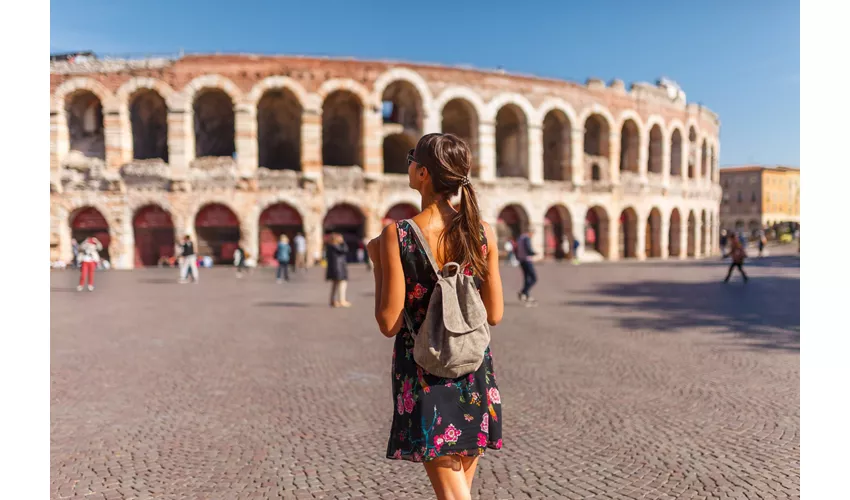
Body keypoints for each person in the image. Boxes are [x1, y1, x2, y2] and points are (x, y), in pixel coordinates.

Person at [366, 133, 504, 499]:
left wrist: (378, 263)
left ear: (423, 173)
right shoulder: (482, 232)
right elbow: (495, 314)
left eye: (412, 158)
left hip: (424, 371)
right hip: (473, 367)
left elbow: (388, 323)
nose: (409, 165)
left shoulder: (399, 235)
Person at [325, 233, 350, 307]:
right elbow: (345, 250)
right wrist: (343, 242)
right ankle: (342, 300)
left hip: (334, 268)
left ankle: (332, 300)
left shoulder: (329, 246)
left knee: (335, 285)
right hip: (338, 268)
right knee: (342, 284)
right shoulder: (336, 246)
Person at [515, 229, 538, 305]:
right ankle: (523, 292)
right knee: (534, 278)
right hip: (527, 260)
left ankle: (526, 295)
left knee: (526, 278)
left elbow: (516, 249)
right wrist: (534, 253)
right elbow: (528, 249)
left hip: (521, 260)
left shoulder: (520, 238)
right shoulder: (526, 238)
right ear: (530, 232)